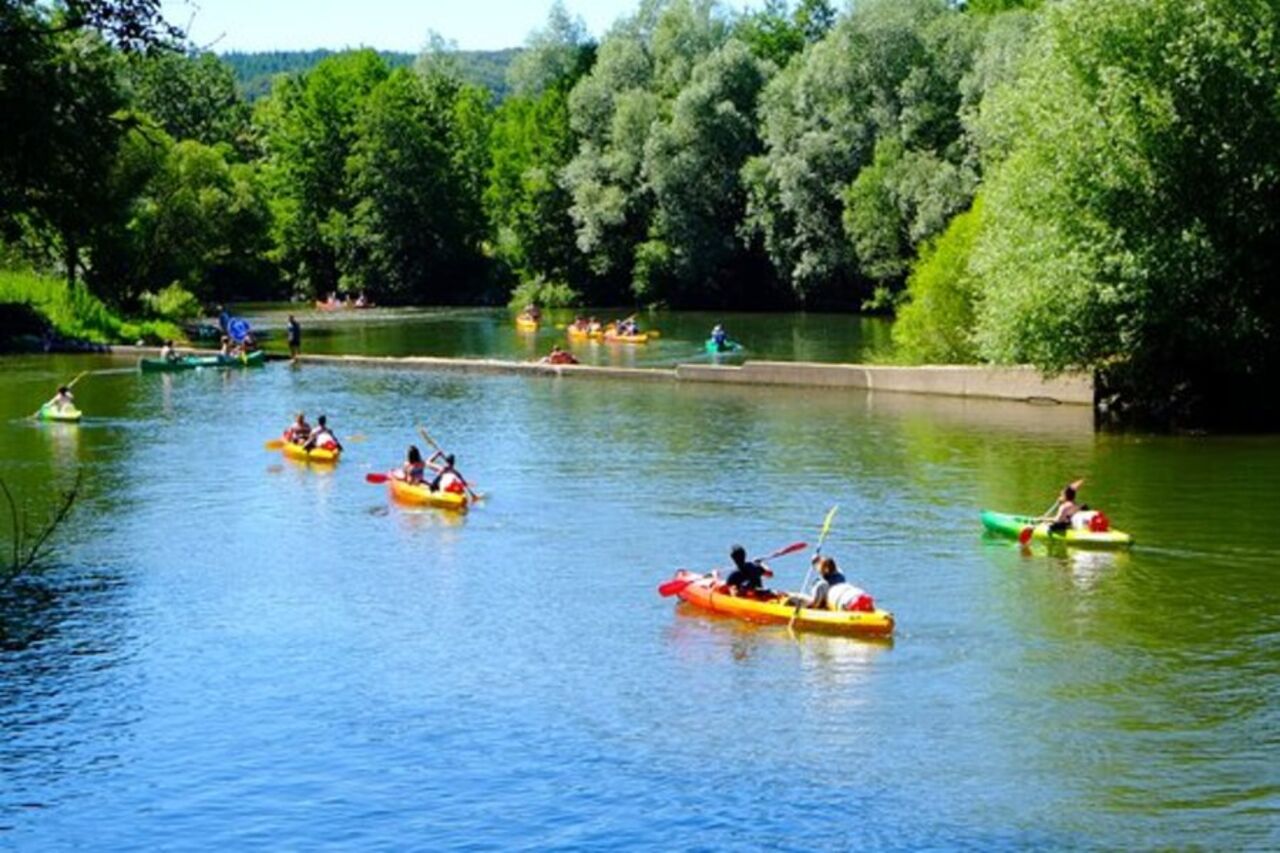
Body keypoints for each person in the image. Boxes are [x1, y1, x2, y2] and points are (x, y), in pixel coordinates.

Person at [804, 556, 875, 612]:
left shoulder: (823, 584)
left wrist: (807, 607)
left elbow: (815, 604)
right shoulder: (840, 575)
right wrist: (817, 560)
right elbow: (830, 566)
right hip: (859, 595)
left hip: (846, 601)